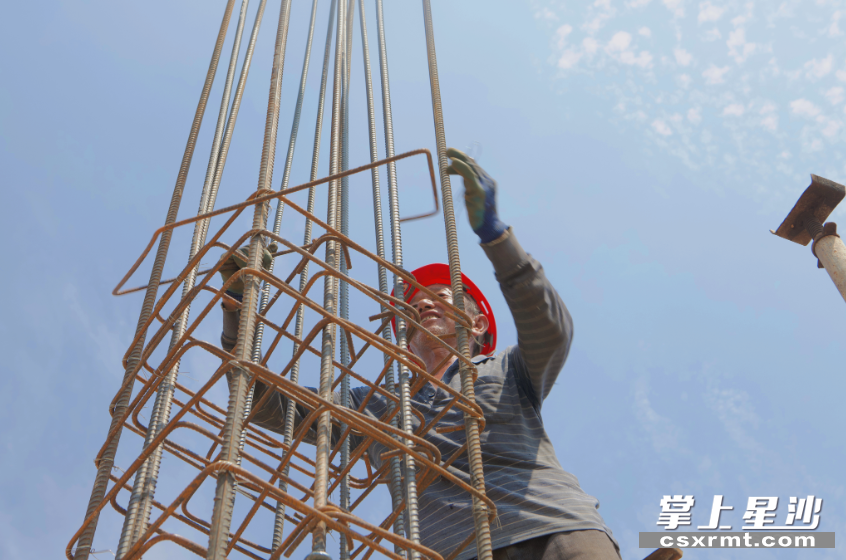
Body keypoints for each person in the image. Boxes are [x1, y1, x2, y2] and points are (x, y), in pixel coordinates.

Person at [219, 148, 620, 560]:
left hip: (554, 532)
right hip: (449, 552)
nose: (424, 303)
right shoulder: (376, 403)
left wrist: (496, 237)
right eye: (414, 305)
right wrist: (236, 310)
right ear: (405, 338)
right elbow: (264, 405)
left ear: (478, 325)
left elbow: (550, 328)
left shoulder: (508, 369)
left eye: (441, 297)